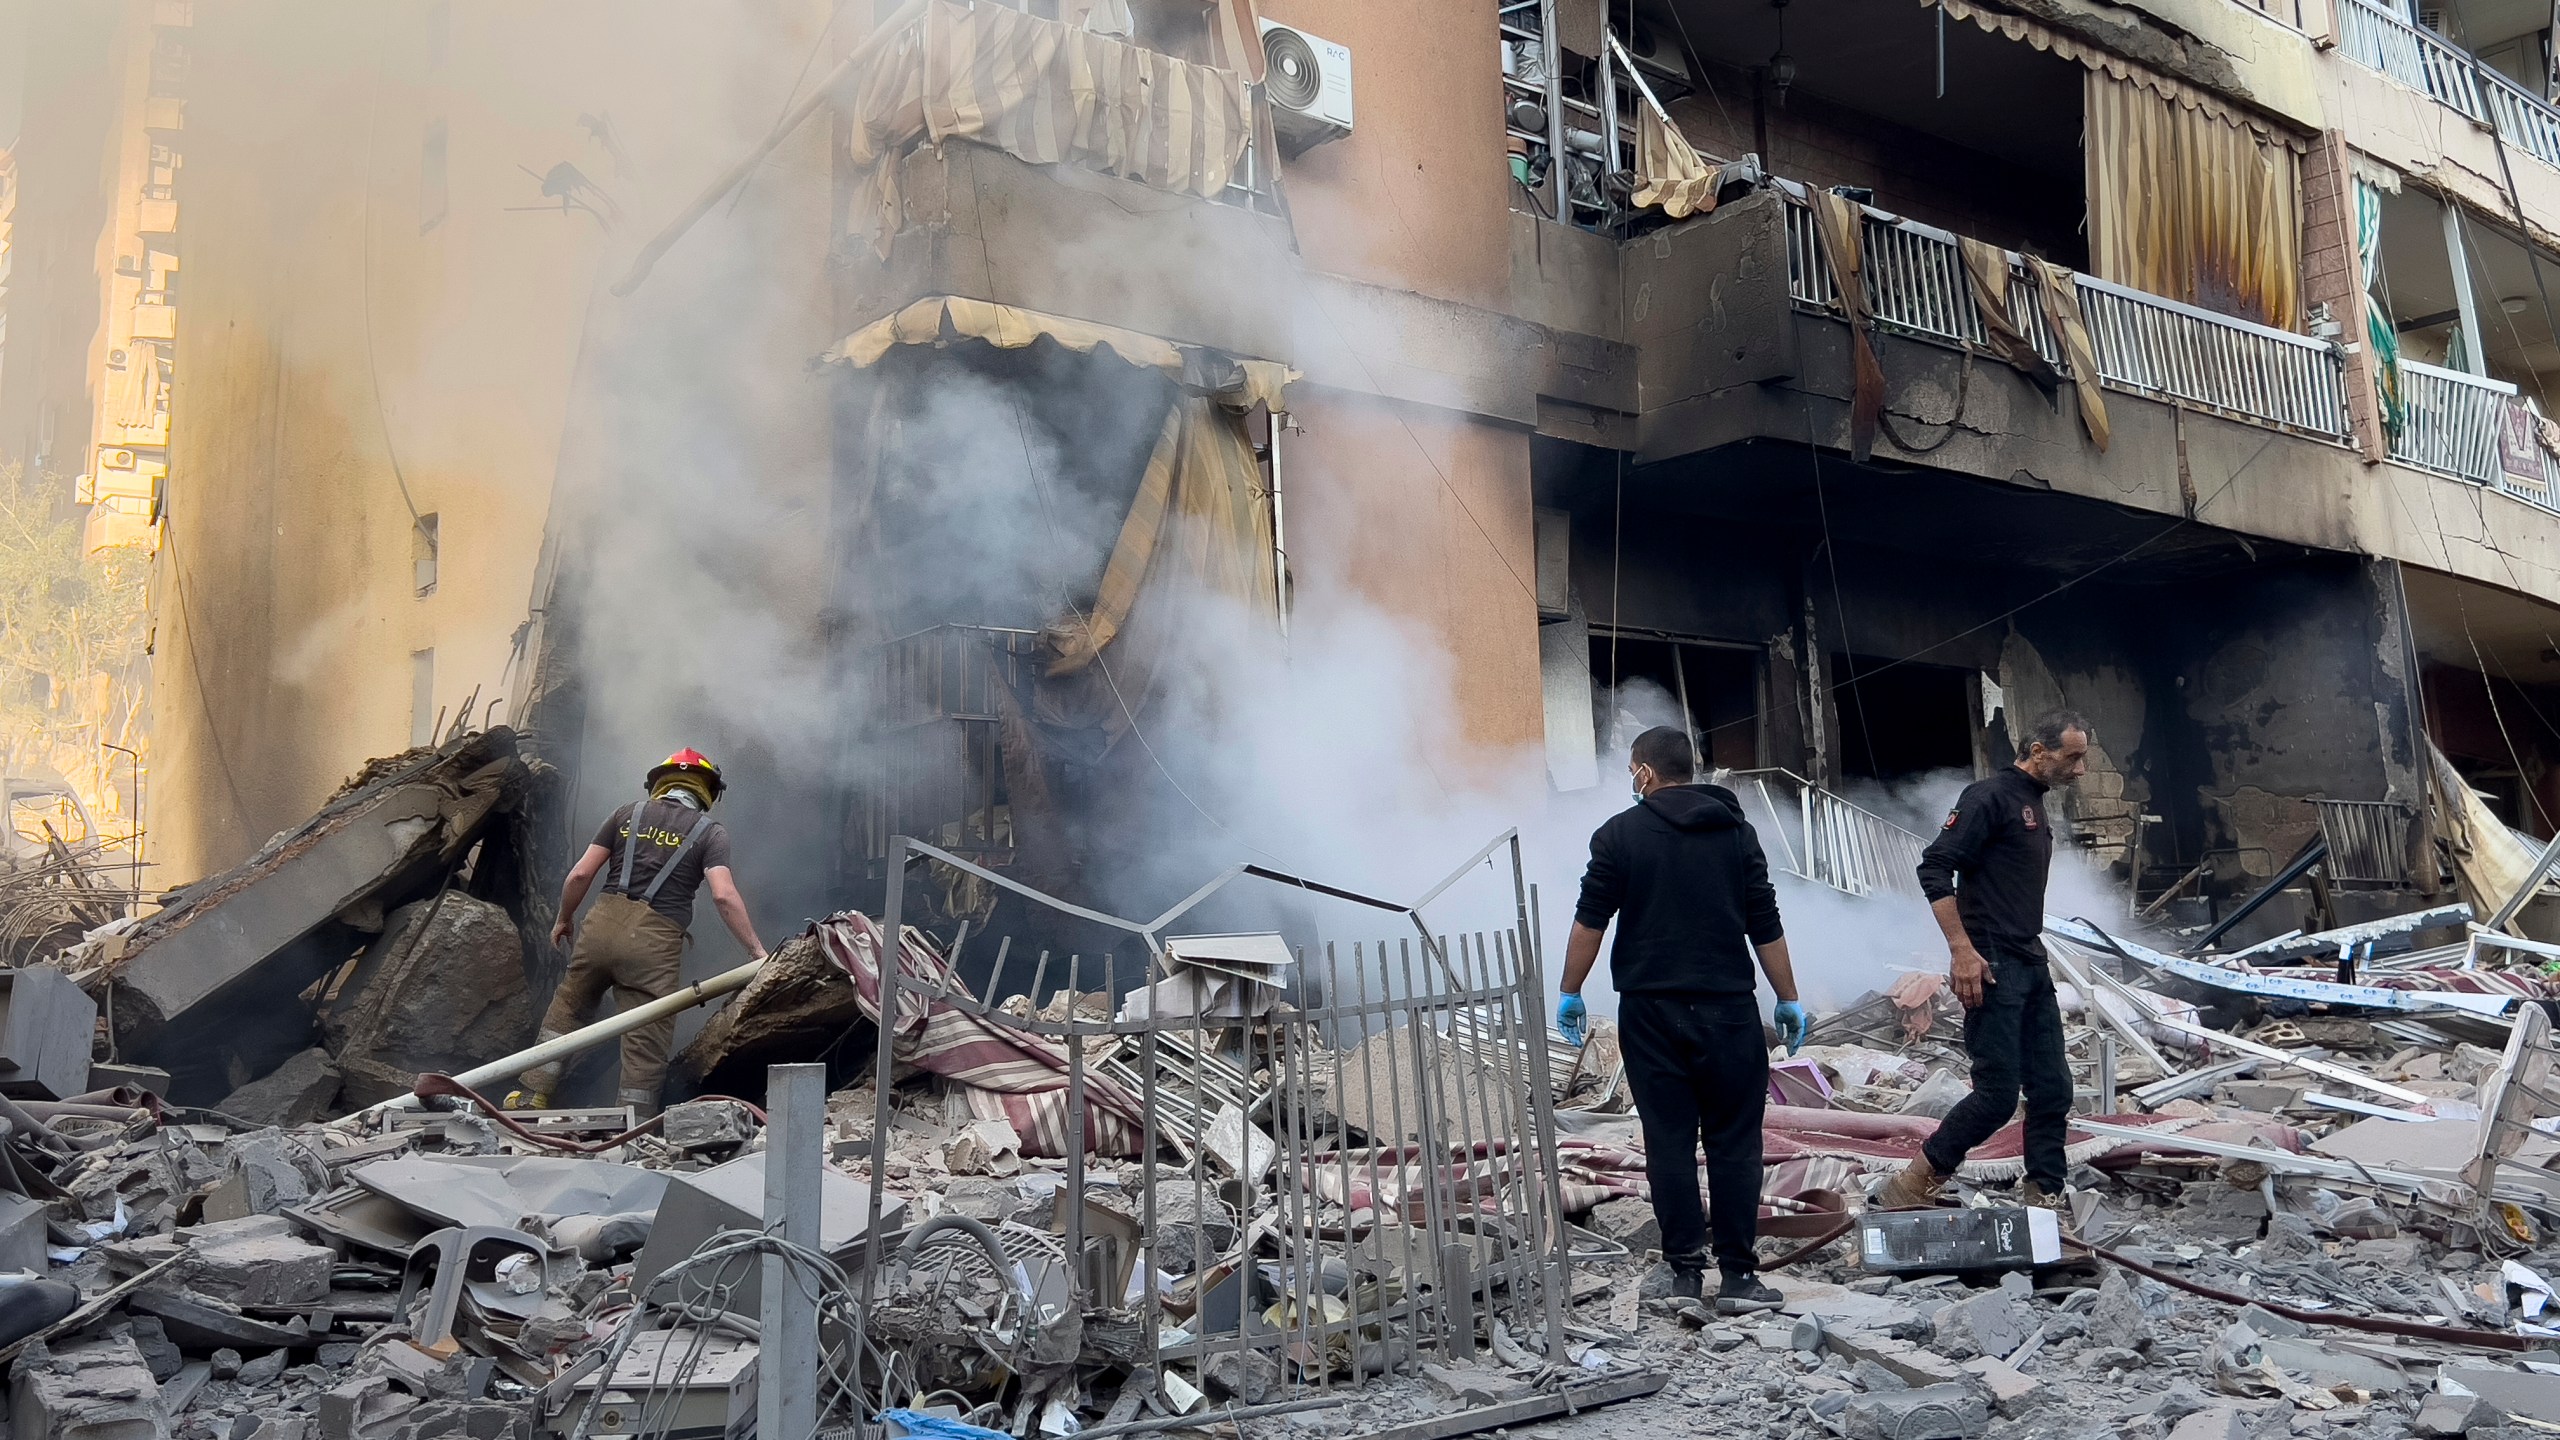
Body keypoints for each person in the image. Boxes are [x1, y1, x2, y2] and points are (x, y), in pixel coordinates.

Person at [1557, 725, 1810, 1315]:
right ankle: (1741, 1278)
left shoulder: (1618, 835)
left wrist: (1569, 990)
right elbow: (1764, 922)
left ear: (1645, 772)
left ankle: (1684, 1276)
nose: (1630, 779)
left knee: (1668, 1142)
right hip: (1728, 1009)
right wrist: (1787, 997)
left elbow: (1589, 922)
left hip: (1649, 1012)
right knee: (1734, 1142)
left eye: (1630, 770)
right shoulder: (1737, 833)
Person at [1876, 709, 2091, 1212]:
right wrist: (1962, 951)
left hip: (2029, 961)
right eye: (2073, 757)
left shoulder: (2033, 803)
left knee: (2054, 1088)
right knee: (1996, 1095)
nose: (2080, 770)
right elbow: (1934, 868)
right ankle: (1910, 1186)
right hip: (1992, 963)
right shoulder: (1989, 798)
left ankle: (2046, 1196)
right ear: (2038, 751)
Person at [508, 748, 768, 1117]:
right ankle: (635, 1119)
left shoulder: (624, 815)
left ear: (659, 783)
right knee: (646, 1034)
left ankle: (531, 1095)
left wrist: (564, 917)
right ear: (707, 790)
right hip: (654, 942)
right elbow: (723, 895)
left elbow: (581, 874)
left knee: (567, 1009)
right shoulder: (711, 833)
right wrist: (757, 952)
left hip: (600, 927)